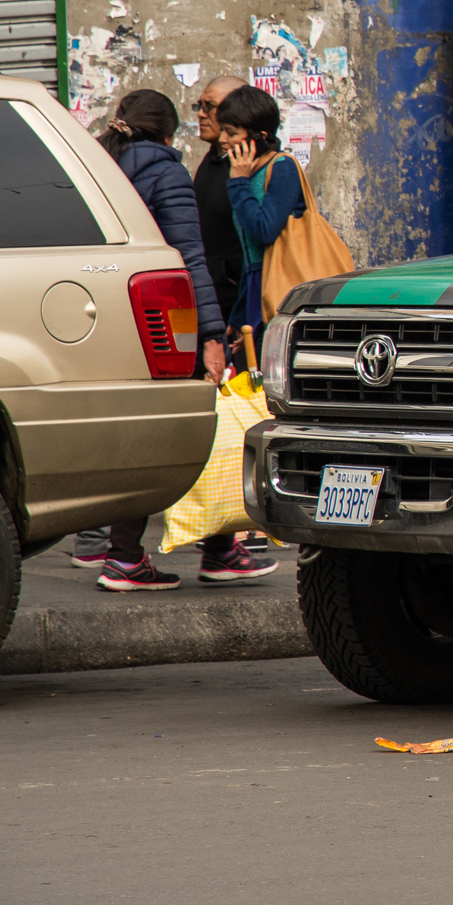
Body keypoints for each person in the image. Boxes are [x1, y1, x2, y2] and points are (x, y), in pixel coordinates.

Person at [87, 90, 276, 591]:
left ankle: (213, 548)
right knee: (177, 432)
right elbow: (188, 256)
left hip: (108, 318)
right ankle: (129, 557)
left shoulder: (98, 163)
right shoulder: (166, 170)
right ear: (168, 133)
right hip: (162, 320)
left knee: (144, 429)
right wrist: (212, 335)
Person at [217, 84, 306, 355]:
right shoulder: (247, 174)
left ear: (259, 136)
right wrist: (238, 314)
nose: (222, 139)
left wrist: (239, 182)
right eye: (222, 130)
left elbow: (264, 231)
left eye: (231, 133)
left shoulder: (282, 167)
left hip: (281, 287)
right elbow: (250, 257)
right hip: (256, 288)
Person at [192, 74, 248, 326]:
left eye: (210, 107)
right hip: (213, 299)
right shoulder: (210, 161)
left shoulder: (248, 166)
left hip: (238, 303)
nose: (201, 114)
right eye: (199, 106)